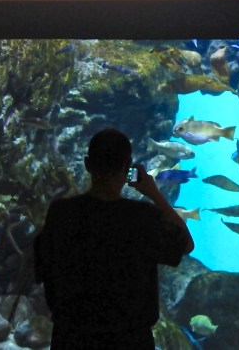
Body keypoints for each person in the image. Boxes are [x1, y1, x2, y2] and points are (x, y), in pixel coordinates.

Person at [34, 128, 195, 349]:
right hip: (130, 340)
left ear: (88, 164)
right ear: (128, 167)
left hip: (71, 337)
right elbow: (186, 244)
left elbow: (43, 268)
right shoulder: (143, 217)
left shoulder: (62, 212)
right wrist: (154, 193)